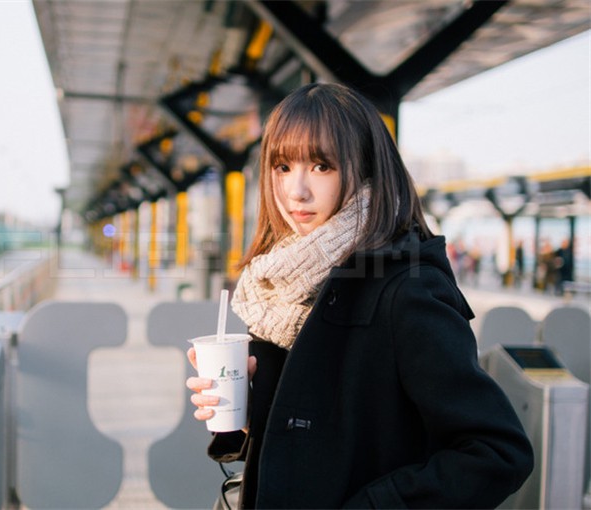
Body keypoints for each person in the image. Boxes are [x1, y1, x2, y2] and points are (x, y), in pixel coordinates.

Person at [186, 83, 533, 509]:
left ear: (365, 170)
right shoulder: (287, 285)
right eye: (281, 167)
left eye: (320, 166)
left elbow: (497, 452)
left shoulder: (407, 288)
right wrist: (244, 416)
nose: (296, 191)